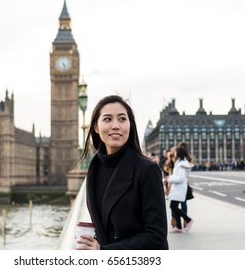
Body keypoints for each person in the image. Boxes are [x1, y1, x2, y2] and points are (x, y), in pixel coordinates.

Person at [76, 95, 168, 250]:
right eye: (107, 119)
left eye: (122, 119)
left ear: (130, 125)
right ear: (96, 128)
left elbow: (156, 237)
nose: (116, 125)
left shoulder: (147, 170)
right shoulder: (94, 168)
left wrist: (104, 251)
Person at [167, 146, 194, 233]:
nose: (174, 153)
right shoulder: (180, 163)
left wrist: (168, 179)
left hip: (179, 189)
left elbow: (180, 178)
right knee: (174, 207)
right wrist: (170, 177)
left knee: (173, 206)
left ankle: (188, 220)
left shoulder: (182, 164)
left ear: (178, 153)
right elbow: (177, 176)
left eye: (175, 152)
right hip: (178, 188)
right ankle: (178, 227)